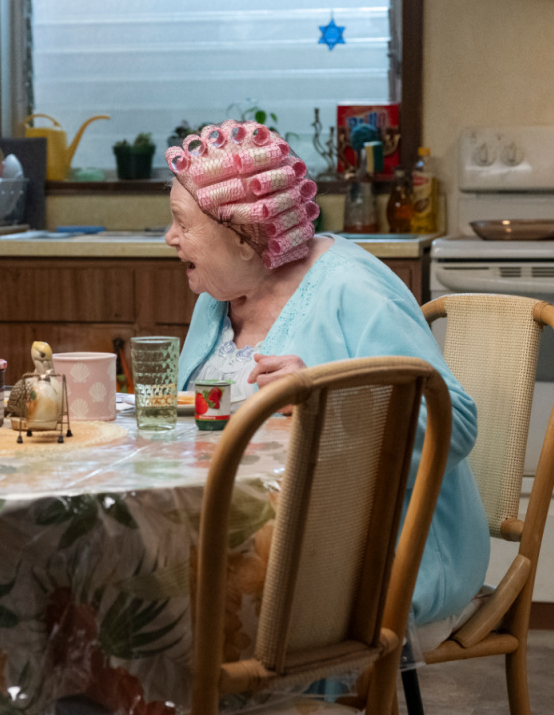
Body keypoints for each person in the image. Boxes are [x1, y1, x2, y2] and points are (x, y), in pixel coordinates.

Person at [163, 120, 489, 636]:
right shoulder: (217, 296)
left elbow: (456, 420)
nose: (170, 238)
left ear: (245, 235)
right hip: (254, 529)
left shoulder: (352, 287)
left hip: (385, 549)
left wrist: (332, 397)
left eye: (182, 223)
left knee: (186, 607)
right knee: (134, 578)